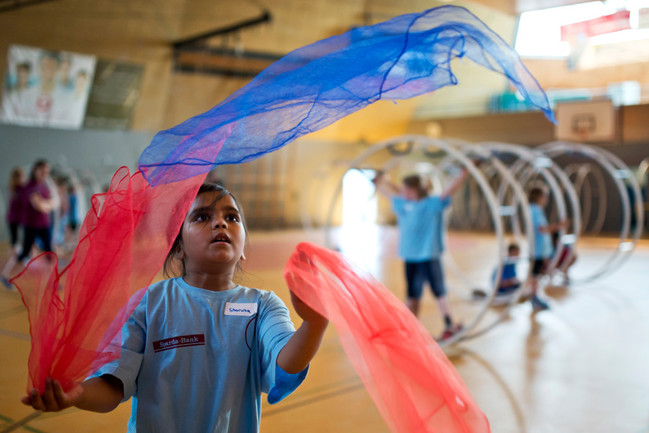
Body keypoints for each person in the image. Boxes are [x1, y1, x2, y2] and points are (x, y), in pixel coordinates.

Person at [21, 183, 329, 432]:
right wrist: (78, 394)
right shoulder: (147, 304)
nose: (220, 221)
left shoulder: (262, 305)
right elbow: (112, 386)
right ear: (178, 246)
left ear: (244, 247)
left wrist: (314, 324)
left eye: (232, 217)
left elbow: (285, 361)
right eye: (201, 217)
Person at [373, 169, 467, 341]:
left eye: (407, 190)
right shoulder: (402, 203)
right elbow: (388, 192)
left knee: (439, 292)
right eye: (404, 190)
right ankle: (408, 330)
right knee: (412, 295)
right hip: (411, 257)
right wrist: (380, 181)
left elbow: (449, 190)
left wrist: (462, 174)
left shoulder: (431, 203)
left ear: (415, 189)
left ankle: (449, 324)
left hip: (429, 256)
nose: (404, 192)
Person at [528, 187, 565, 312]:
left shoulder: (537, 210)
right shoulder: (534, 210)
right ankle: (533, 298)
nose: (546, 200)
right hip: (536, 249)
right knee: (534, 275)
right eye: (545, 196)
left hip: (540, 249)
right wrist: (558, 226)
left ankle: (535, 296)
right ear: (539, 197)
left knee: (537, 275)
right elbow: (542, 228)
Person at [16, 160, 54, 264]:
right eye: (42, 171)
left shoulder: (43, 186)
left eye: (46, 172)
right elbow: (38, 205)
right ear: (35, 170)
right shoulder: (29, 186)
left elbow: (53, 203)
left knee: (49, 251)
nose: (44, 174)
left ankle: (51, 274)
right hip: (31, 224)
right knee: (26, 251)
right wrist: (46, 205)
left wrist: (46, 204)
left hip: (44, 223)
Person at [1, 167, 25, 289]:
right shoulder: (17, 189)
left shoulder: (15, 189)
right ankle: (5, 275)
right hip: (14, 222)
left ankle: (7, 275)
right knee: (15, 250)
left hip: (14, 222)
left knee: (16, 250)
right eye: (22, 176)